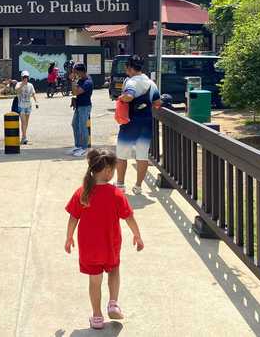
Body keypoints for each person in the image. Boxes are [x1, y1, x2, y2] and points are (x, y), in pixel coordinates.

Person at [65, 149, 144, 330]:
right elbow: (129, 217)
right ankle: (113, 303)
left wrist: (69, 237)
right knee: (114, 271)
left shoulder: (82, 192)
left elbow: (73, 218)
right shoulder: (115, 194)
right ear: (108, 171)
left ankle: (97, 316)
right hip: (110, 245)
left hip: (89, 248)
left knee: (95, 281)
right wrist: (137, 235)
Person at [115, 54, 161, 195]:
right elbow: (157, 103)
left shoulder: (131, 82)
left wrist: (121, 98)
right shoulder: (151, 83)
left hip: (130, 122)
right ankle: (138, 186)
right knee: (142, 155)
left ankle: (121, 185)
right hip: (146, 123)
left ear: (129, 68)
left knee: (122, 154)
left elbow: (129, 96)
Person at [69, 63, 94, 157]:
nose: (75, 74)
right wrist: (73, 99)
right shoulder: (80, 80)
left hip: (85, 106)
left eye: (76, 72)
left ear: (80, 71)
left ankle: (84, 148)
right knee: (75, 124)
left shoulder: (88, 82)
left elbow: (76, 91)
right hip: (79, 106)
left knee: (83, 127)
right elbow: (74, 92)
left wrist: (73, 80)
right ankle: (78, 146)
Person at [15, 70, 39, 144]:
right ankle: (24, 137)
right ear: (22, 77)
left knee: (26, 122)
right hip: (21, 106)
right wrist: (22, 84)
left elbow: (33, 94)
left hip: (28, 106)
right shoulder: (18, 84)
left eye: (27, 77)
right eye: (24, 77)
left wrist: (36, 102)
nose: (25, 78)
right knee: (23, 122)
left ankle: (23, 136)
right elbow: (16, 91)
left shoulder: (30, 85)